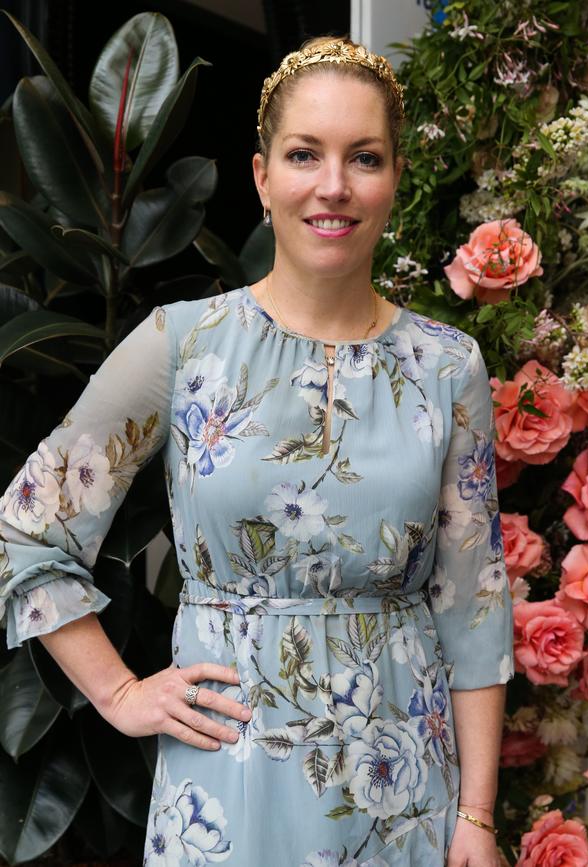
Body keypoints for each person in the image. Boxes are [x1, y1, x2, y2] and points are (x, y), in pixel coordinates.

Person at [0, 36, 513, 867]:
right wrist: (119, 691)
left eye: (365, 157)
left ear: (394, 177)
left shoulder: (448, 367)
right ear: (261, 175)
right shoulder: (183, 344)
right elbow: (27, 528)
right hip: (228, 788)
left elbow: (473, 602)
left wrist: (479, 816)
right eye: (305, 153)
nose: (334, 185)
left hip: (406, 792)